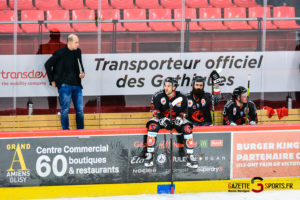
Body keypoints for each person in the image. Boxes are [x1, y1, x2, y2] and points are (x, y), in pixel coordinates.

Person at [144, 77, 198, 169]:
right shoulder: (158, 95)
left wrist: (180, 117)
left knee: (187, 128)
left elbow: (185, 111)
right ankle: (150, 154)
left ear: (174, 87)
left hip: (176, 118)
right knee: (152, 126)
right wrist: (161, 118)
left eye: (169, 86)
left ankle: (190, 156)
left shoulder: (182, 97)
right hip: (162, 118)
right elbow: (154, 110)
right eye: (165, 85)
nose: (166, 88)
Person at [44, 34, 85, 130]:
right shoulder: (59, 53)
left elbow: (80, 65)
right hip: (64, 86)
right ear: (69, 42)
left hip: (77, 86)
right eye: (76, 42)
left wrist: (82, 73)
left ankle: (81, 130)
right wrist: (52, 80)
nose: (78, 44)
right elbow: (47, 65)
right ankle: (65, 131)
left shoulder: (78, 52)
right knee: (65, 110)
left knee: (80, 110)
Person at [37, 29, 66, 114]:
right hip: (55, 77)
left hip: (53, 77)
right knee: (59, 98)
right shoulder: (43, 47)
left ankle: (53, 113)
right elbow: (39, 62)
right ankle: (59, 114)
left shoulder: (63, 46)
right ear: (59, 36)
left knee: (54, 98)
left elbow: (38, 62)